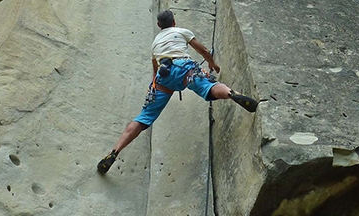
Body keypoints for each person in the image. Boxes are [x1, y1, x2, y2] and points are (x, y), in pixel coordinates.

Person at [97, 9, 258, 174]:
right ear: (174, 22)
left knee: (143, 118)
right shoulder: (181, 31)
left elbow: (155, 70)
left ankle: (115, 151)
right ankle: (232, 94)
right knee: (208, 87)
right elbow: (202, 50)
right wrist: (213, 65)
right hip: (184, 69)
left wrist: (154, 86)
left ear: (159, 25)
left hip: (163, 77)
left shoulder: (155, 43)